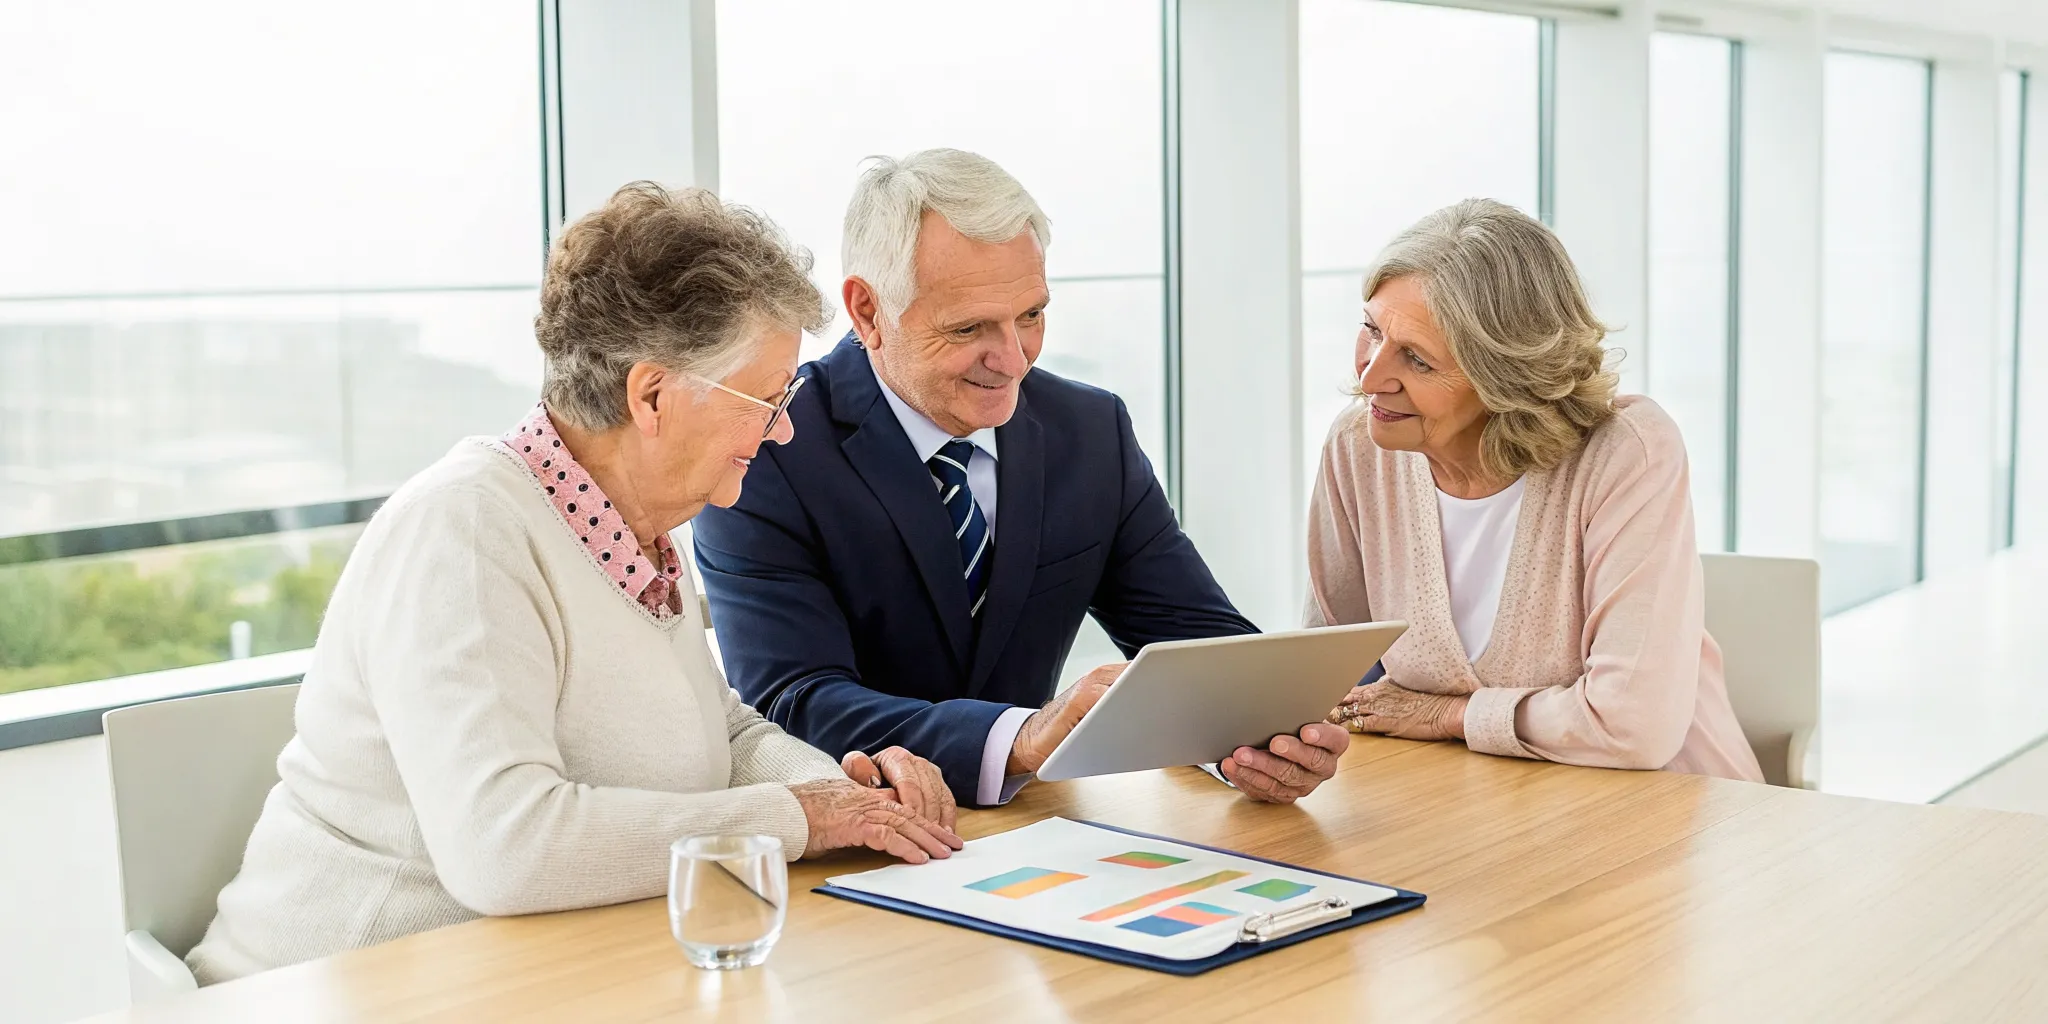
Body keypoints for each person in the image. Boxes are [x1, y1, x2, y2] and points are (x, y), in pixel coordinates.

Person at [186, 183, 963, 984]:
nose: (784, 428)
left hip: (522, 975)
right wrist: (797, 819)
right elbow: (507, 848)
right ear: (653, 394)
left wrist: (839, 789)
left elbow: (719, 734)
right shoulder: (465, 528)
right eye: (765, 401)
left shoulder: (641, 527)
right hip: (333, 987)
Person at [693, 149, 1352, 808]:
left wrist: (1259, 739)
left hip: (1039, 830)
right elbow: (792, 703)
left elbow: (1200, 646)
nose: (1013, 360)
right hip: (854, 840)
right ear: (868, 312)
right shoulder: (767, 450)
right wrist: (1018, 738)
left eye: (1031, 315)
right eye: (970, 327)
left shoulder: (1089, 432)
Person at [1309, 198, 1763, 782]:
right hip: (1467, 810)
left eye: (1417, 360)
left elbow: (1633, 728)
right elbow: (1322, 674)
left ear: (1506, 375)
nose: (1370, 377)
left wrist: (1449, 714)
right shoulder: (1359, 446)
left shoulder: (1627, 451)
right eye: (1371, 328)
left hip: (1668, 811)